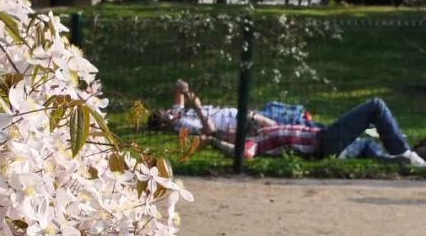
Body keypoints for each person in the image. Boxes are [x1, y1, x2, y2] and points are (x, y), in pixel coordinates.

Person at [156, 81, 426, 166]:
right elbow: (244, 154)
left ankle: (402, 159)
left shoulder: (258, 131)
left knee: (367, 146)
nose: (232, 131)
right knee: (375, 106)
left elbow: (181, 100)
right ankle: (405, 153)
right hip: (322, 142)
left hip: (319, 134)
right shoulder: (252, 142)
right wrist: (213, 140)